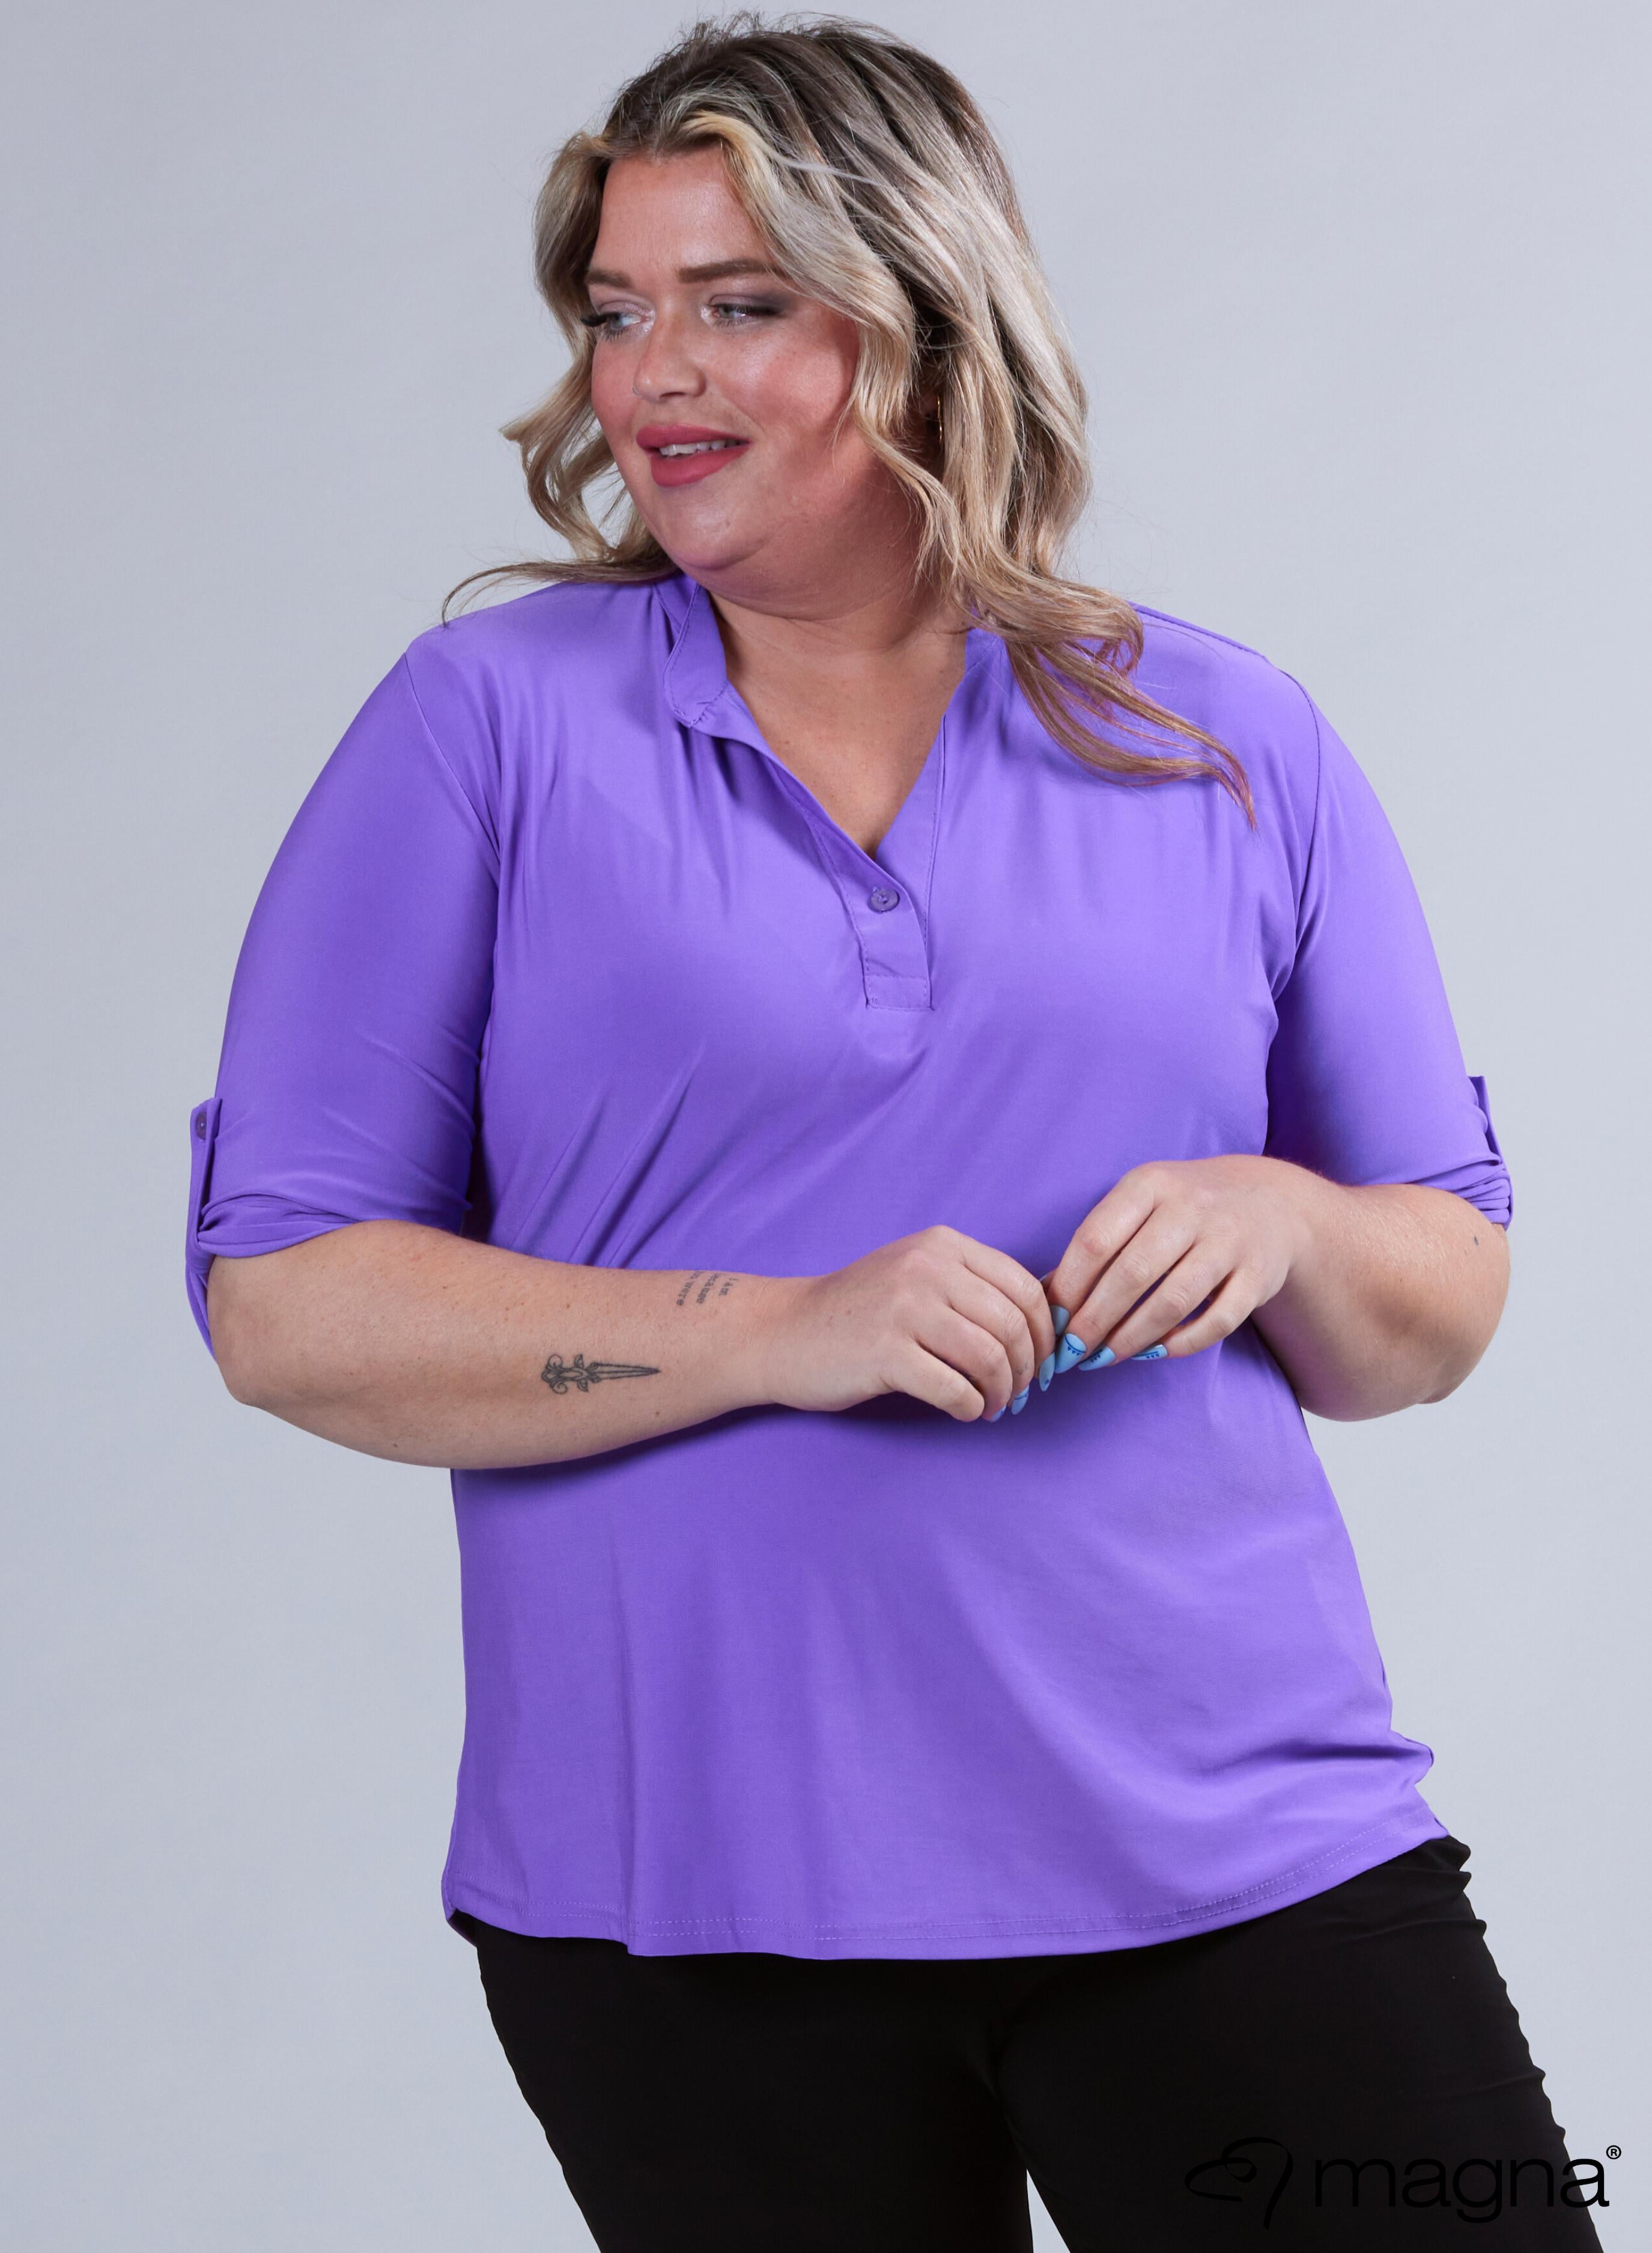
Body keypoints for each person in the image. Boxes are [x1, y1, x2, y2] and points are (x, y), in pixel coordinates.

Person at [183, 15, 1606, 2248]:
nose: (657, 375)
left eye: (739, 302)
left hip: (1234, 1845)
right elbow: (285, 1304)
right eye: (619, 311)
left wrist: (1285, 1220)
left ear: (931, 322)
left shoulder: (1226, 737)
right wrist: (774, 1329)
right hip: (689, 1897)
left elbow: (1433, 1306)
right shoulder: (485, 732)